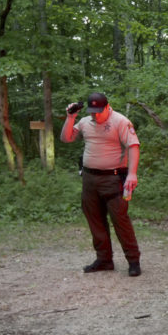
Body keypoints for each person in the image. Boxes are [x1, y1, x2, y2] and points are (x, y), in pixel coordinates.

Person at [60, 92, 142, 277]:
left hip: (113, 179)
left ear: (107, 107)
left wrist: (132, 174)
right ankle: (104, 259)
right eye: (92, 112)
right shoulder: (85, 122)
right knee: (95, 220)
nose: (95, 115)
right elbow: (66, 138)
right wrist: (71, 117)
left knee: (120, 220)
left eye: (99, 111)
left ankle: (133, 260)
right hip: (90, 179)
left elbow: (133, 146)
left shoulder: (120, 121)